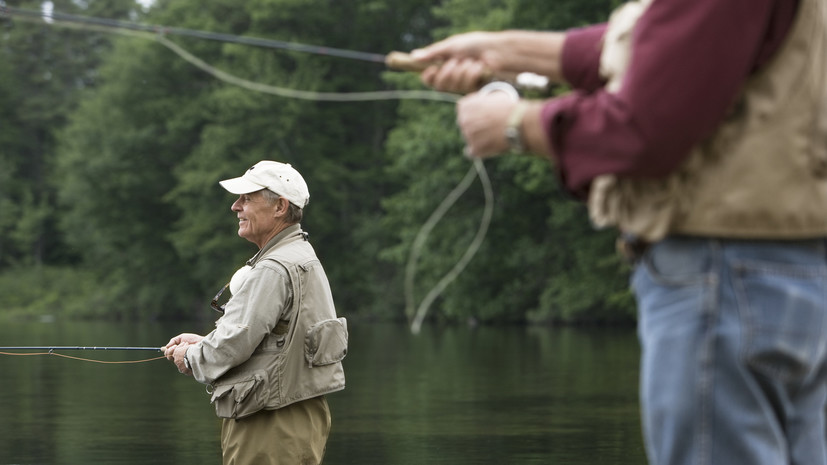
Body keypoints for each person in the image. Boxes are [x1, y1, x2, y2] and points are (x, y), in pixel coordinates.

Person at [412, 1, 827, 464]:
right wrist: (501, 49)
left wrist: (516, 125)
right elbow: (677, 47)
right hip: (787, 274)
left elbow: (648, 126)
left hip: (723, 281)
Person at [163, 160, 348, 465]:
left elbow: (237, 339)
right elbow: (275, 339)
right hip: (298, 415)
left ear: (280, 207)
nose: (236, 207)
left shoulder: (274, 268)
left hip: (269, 421)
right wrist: (205, 341)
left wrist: (192, 357)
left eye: (247, 198)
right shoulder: (302, 255)